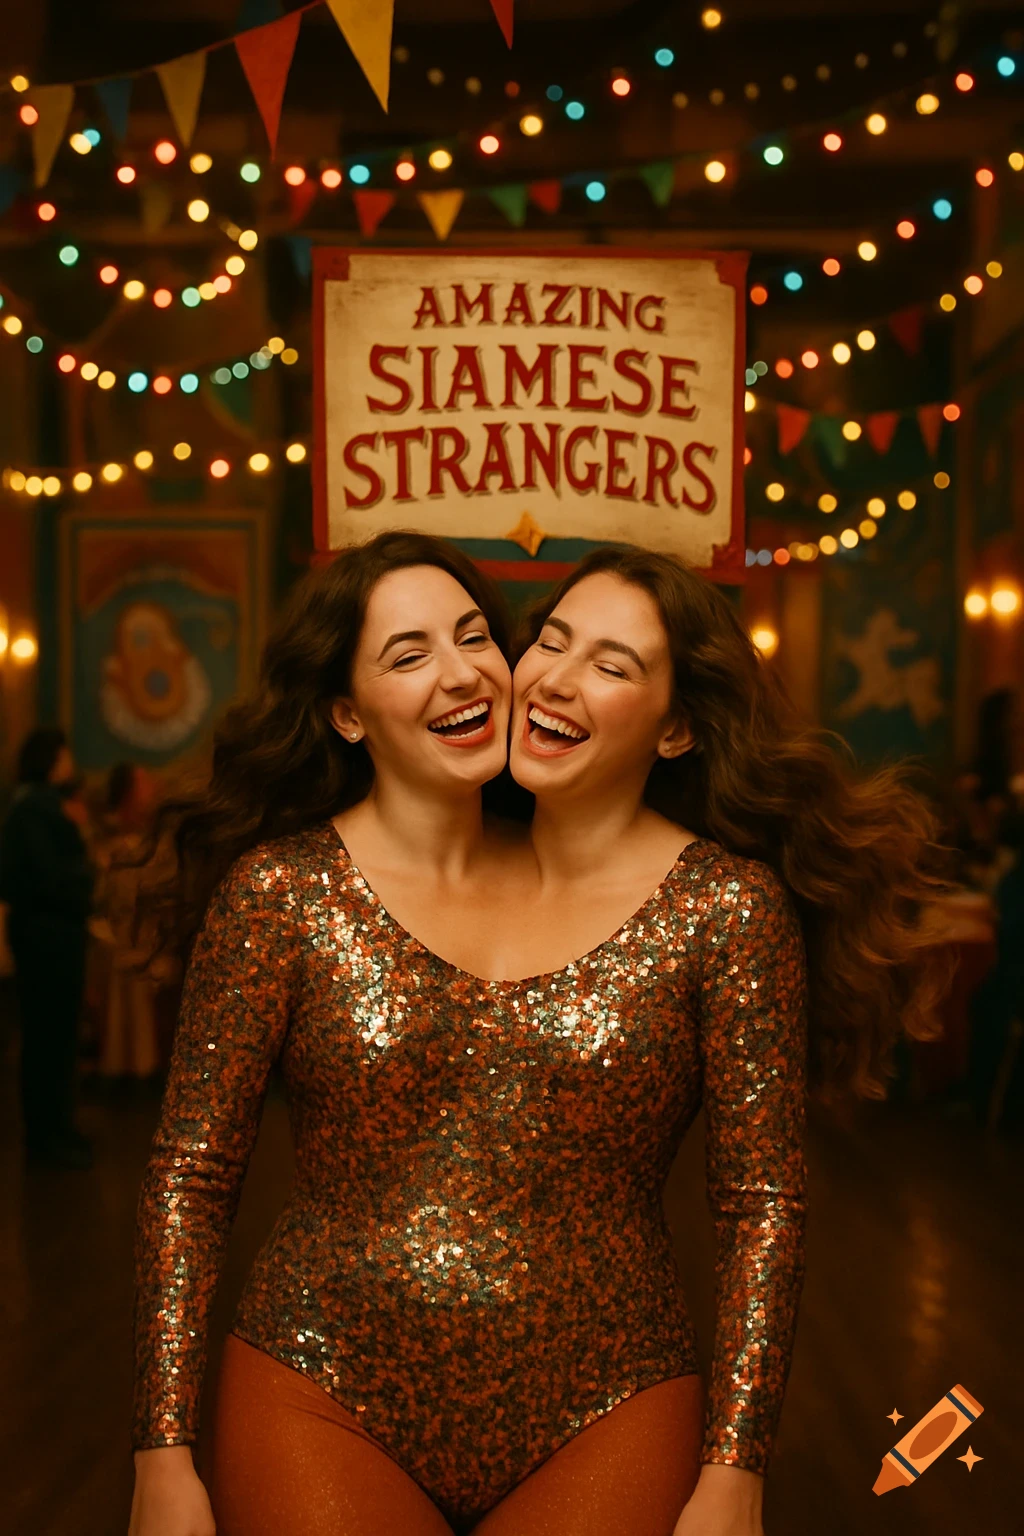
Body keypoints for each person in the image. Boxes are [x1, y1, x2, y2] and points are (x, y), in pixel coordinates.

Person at [504, 545, 949, 1536]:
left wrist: (733, 1467)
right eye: (552, 640)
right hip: (348, 1375)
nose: (557, 679)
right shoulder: (437, 855)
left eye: (611, 664)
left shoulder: (725, 909)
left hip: (610, 1384)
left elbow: (762, 1205)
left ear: (676, 729)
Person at [0, 726, 96, 1170]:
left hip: (46, 933)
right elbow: (47, 877)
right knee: (49, 1037)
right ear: (50, 760)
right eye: (64, 755)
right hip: (48, 936)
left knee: (53, 1036)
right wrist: (85, 875)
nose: (70, 763)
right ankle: (48, 1135)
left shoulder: (32, 806)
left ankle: (55, 1128)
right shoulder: (37, 808)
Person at [91, 763, 163, 1081]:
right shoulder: (108, 846)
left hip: (146, 937)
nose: (151, 792)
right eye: (142, 786)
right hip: (116, 940)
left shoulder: (152, 841)